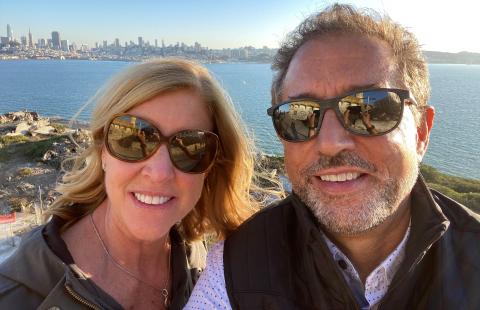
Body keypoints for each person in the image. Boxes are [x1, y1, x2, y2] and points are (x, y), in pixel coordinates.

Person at [186, 4, 480, 309]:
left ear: (421, 132)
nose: (330, 143)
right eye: (300, 116)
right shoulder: (236, 270)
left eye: (369, 109)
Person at [0, 58, 262, 309]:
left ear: (211, 166)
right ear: (102, 150)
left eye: (190, 148)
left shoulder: (200, 260)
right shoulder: (17, 296)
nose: (159, 173)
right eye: (134, 138)